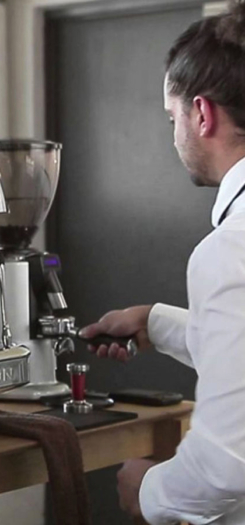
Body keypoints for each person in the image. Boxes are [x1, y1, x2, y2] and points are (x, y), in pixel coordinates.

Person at [78, 1, 245, 523]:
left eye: (172, 118)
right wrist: (158, 323)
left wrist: (148, 490)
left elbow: (226, 464)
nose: (174, 135)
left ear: (202, 113)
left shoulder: (228, 252)